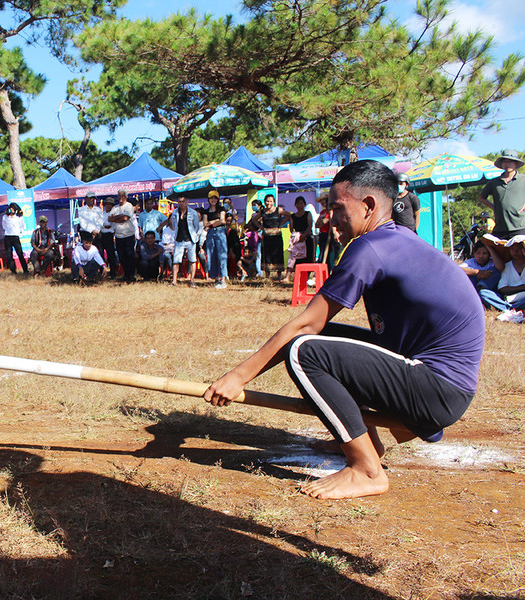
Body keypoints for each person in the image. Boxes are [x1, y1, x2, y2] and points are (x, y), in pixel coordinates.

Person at [204, 160, 485, 500]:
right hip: (436, 383)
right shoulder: (394, 240)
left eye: (338, 208)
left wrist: (237, 377)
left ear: (368, 206)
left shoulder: (371, 247)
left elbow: (306, 323)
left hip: (437, 388)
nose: (330, 217)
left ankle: (366, 469)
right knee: (319, 340)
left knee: (303, 350)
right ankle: (369, 442)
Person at [479, 149, 525, 239]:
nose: (507, 164)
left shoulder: (523, 179)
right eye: (505, 161)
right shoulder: (494, 182)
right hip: (500, 228)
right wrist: (494, 207)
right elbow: (482, 197)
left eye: (510, 161)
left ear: (516, 163)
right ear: (502, 163)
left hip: (520, 226)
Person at [478, 237, 525, 318]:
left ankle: (510, 308)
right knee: (484, 293)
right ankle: (510, 308)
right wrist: (522, 287)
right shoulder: (507, 266)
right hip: (507, 298)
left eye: (518, 249)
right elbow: (502, 288)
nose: (515, 252)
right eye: (512, 249)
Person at [253, 194, 289, 279]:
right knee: (267, 255)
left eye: (270, 201)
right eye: (267, 201)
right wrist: (261, 227)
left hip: (277, 235)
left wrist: (281, 224)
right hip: (267, 236)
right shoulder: (262, 211)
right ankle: (267, 276)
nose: (268, 203)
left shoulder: (278, 210)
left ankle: (279, 276)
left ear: (273, 202)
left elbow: (289, 215)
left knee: (278, 255)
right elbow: (254, 220)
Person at [168, 195, 201, 287]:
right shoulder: (175, 212)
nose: (181, 203)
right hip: (179, 239)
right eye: (179, 201)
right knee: (176, 260)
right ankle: (174, 281)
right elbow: (174, 225)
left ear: (186, 201)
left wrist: (194, 236)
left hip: (190, 239)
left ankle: (192, 280)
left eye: (183, 201)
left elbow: (196, 227)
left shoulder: (193, 213)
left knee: (192, 260)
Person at [108, 189, 137, 282]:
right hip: (118, 236)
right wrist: (120, 216)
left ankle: (131, 275)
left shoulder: (129, 206)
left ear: (126, 197)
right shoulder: (115, 208)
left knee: (129, 256)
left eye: (123, 195)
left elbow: (125, 218)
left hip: (128, 235)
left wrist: (116, 218)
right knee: (121, 257)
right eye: (119, 195)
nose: (121, 197)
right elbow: (110, 219)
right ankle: (126, 274)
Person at [284, 196, 314, 283]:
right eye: (297, 203)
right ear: (295, 205)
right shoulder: (293, 216)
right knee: (293, 257)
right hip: (297, 239)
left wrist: (304, 235)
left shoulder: (308, 214)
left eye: (301, 203)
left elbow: (310, 226)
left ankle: (307, 277)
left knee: (308, 257)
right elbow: (291, 228)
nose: (299, 205)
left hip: (307, 238)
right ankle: (291, 276)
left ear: (304, 204)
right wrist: (296, 236)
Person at [203, 190, 229, 289]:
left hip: (220, 232)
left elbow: (222, 220)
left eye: (215, 198)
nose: (213, 200)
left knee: (222, 256)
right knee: (211, 255)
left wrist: (211, 224)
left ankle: (223, 279)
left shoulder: (221, 209)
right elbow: (205, 223)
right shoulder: (206, 211)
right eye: (211, 198)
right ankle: (216, 279)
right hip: (210, 234)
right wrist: (216, 221)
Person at [2, 203, 28, 274]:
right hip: (7, 237)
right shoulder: (5, 217)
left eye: (14, 208)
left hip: (15, 237)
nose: (12, 209)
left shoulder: (19, 218)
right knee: (9, 255)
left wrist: (18, 232)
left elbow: (22, 226)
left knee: (20, 253)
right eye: (11, 208)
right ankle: (13, 270)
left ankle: (25, 270)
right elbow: (4, 227)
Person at [99, 197, 118, 277]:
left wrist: (106, 226)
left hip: (109, 235)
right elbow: (100, 224)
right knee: (100, 253)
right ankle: (102, 271)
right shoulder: (102, 214)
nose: (108, 206)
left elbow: (112, 226)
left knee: (111, 254)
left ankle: (113, 272)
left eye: (110, 204)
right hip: (101, 234)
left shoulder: (113, 215)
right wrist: (104, 226)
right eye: (107, 204)